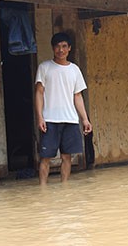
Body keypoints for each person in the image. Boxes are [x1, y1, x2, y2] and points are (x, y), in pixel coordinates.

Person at [35, 32, 92, 185]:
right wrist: (40, 117)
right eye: (58, 47)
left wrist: (85, 119)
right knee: (45, 157)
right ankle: (42, 189)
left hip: (70, 120)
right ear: (53, 48)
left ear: (69, 48)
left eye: (64, 46)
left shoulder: (75, 70)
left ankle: (65, 188)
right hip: (50, 120)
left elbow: (78, 96)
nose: (61, 50)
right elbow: (39, 93)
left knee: (67, 157)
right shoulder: (44, 67)